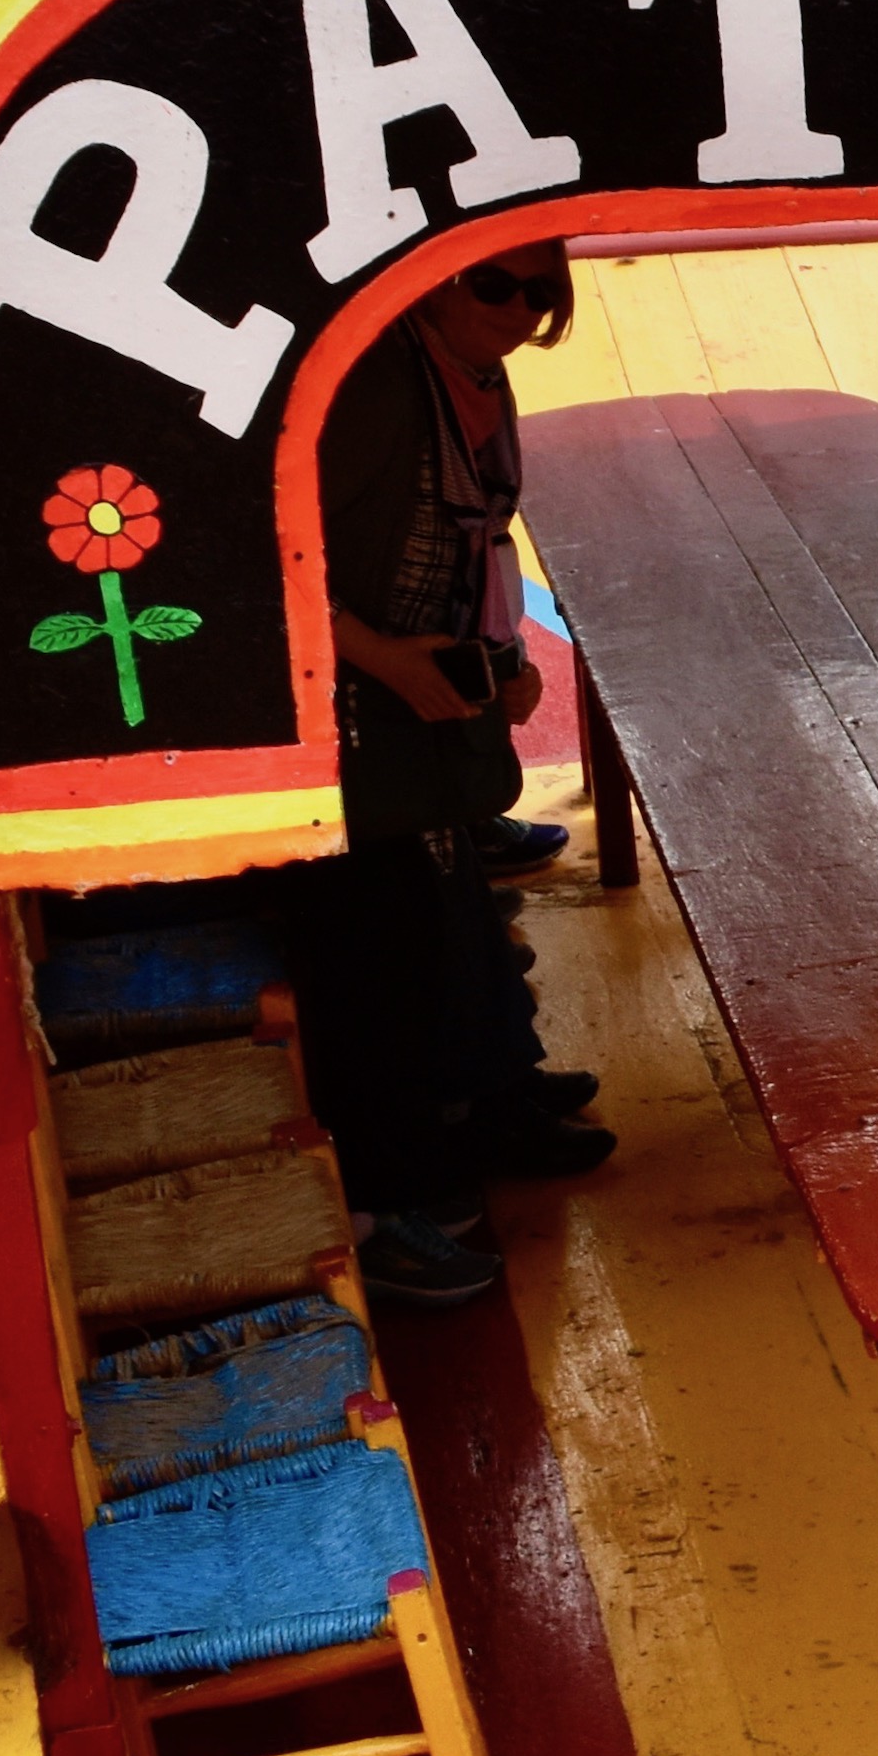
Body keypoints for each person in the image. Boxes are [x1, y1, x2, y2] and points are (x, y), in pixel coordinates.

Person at [291, 236, 612, 1311]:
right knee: (372, 960)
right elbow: (278, 548)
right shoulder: (382, 387)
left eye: (541, 289)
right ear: (434, 281)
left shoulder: (476, 380)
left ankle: (485, 1099)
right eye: (494, 281)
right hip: (348, 719)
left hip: (423, 715)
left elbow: (488, 545)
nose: (519, 307)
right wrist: (378, 655)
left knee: (444, 920)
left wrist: (509, 657)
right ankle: (388, 1203)